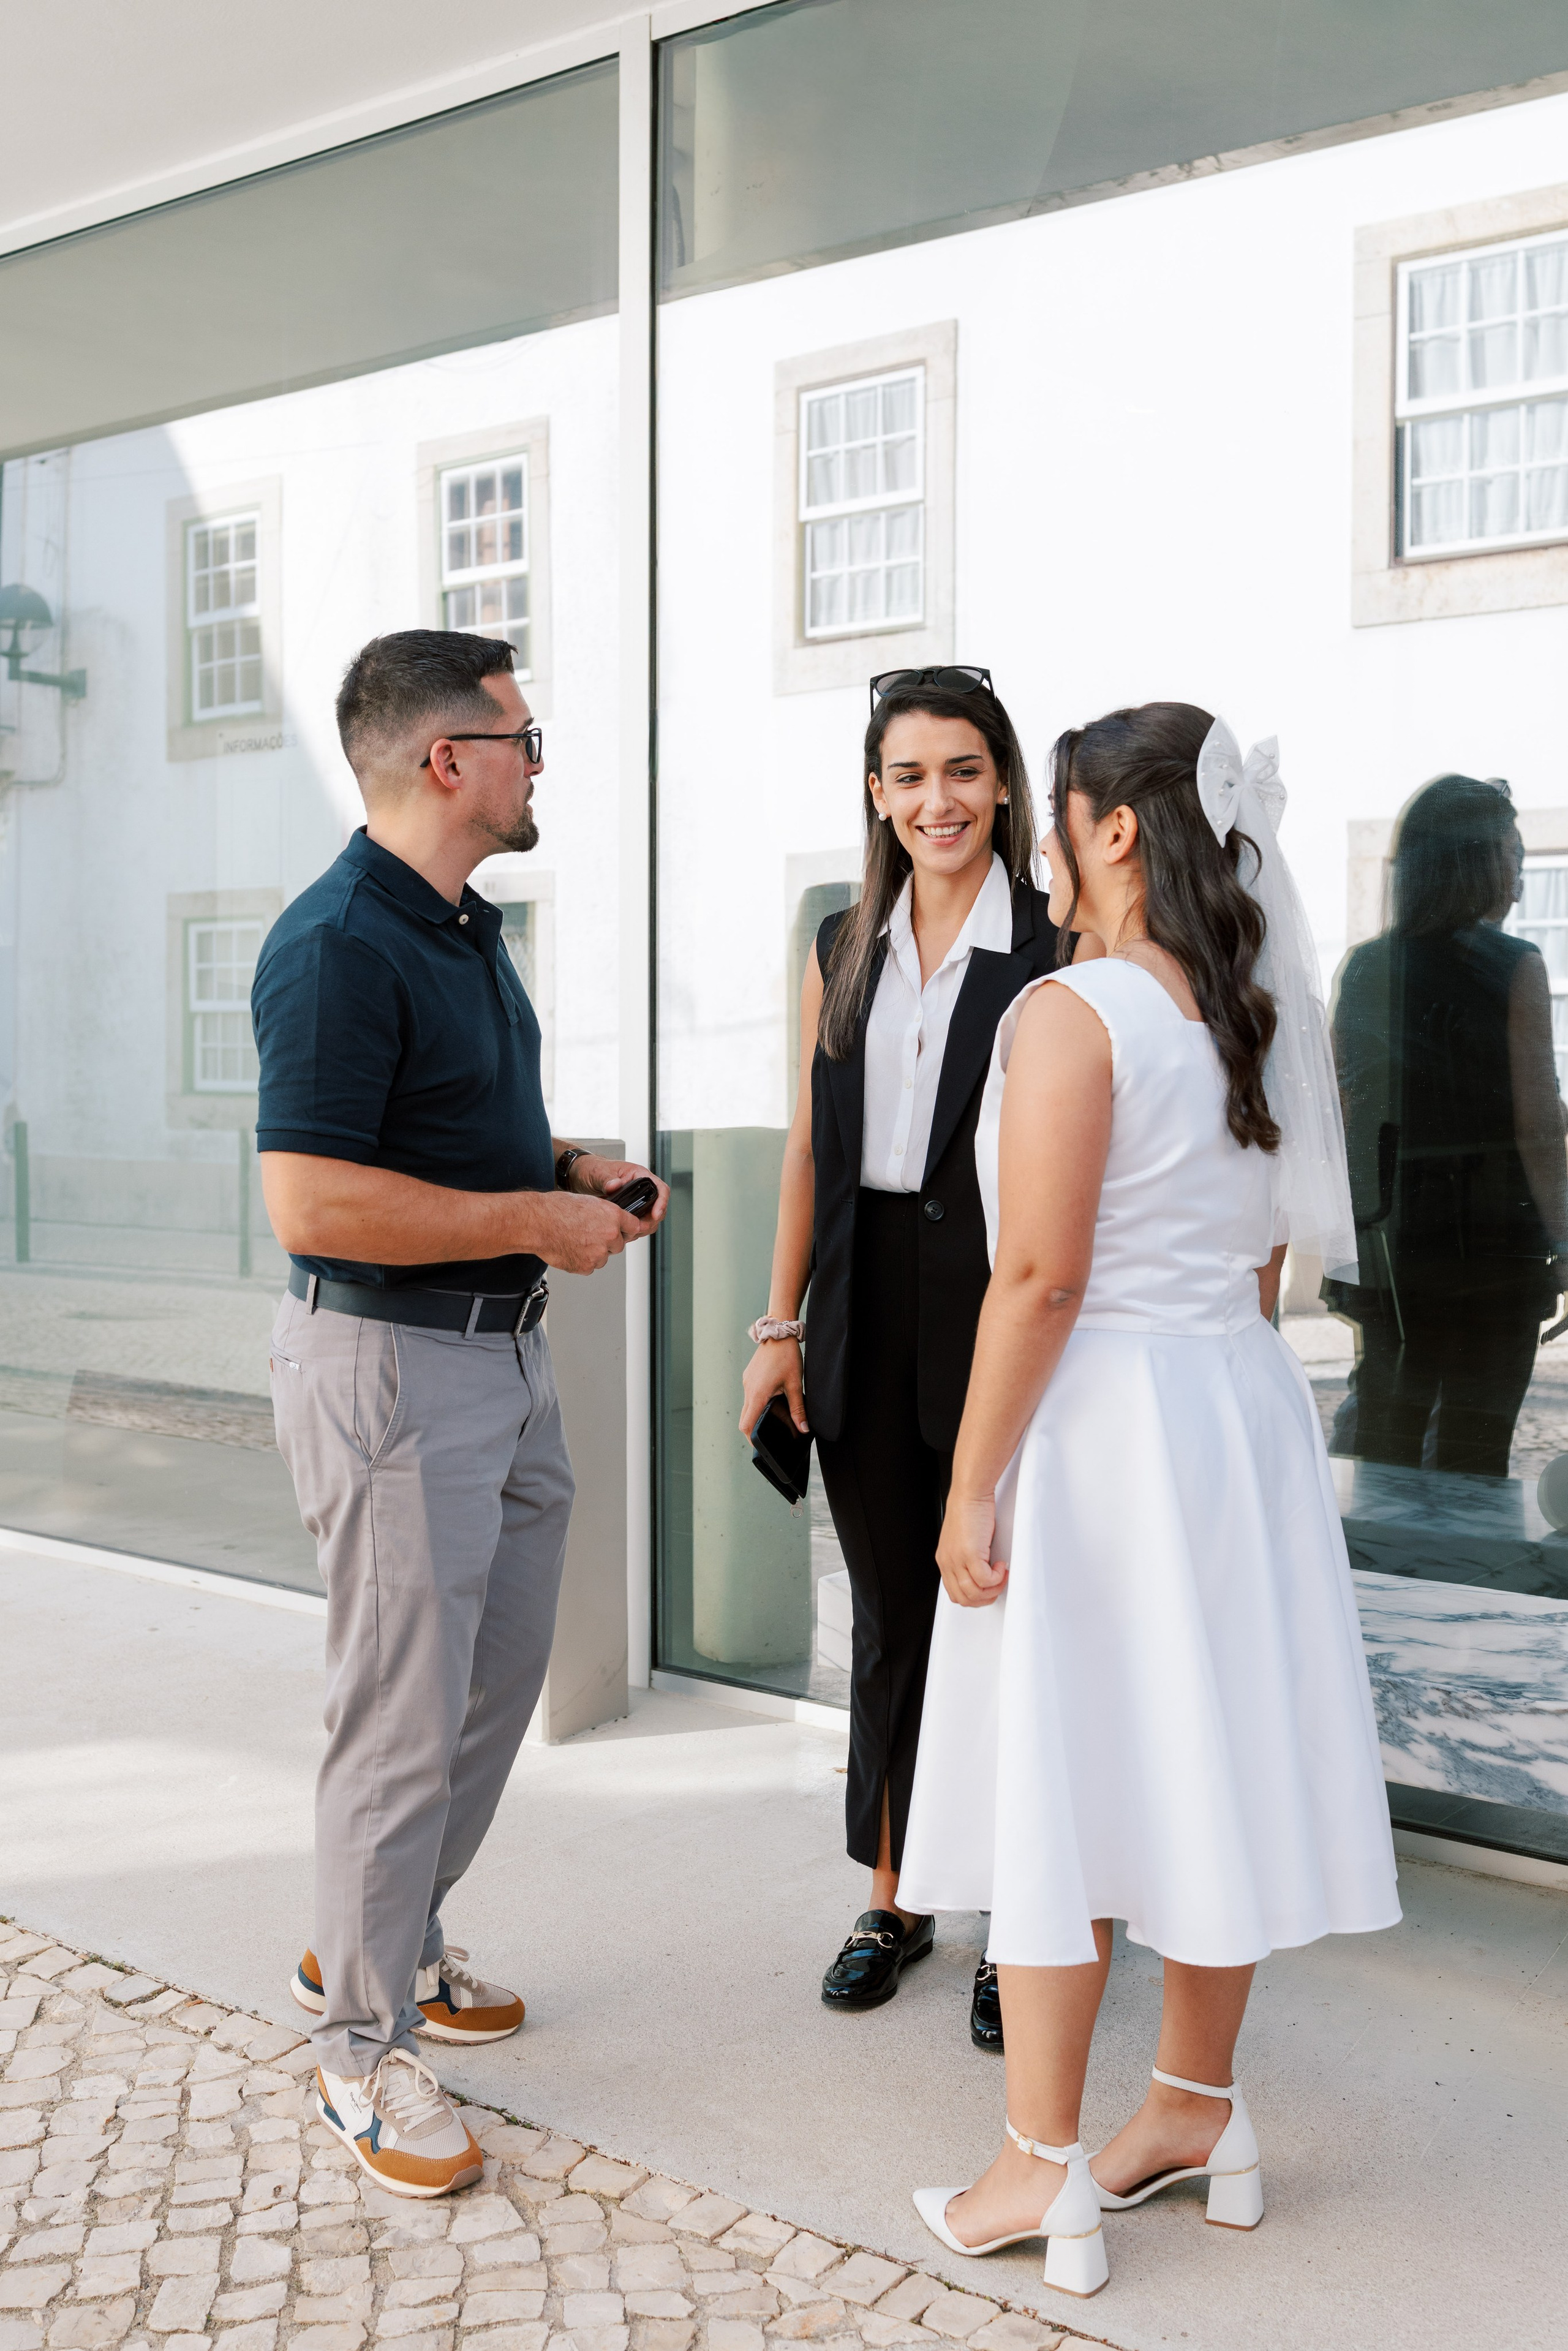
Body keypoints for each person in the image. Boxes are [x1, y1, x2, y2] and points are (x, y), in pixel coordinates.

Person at [897, 703, 1400, 2299]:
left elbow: (1039, 1277)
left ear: (1114, 828)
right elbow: (1263, 1256)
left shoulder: (1073, 1011)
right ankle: (1194, 2104)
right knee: (1198, 1759)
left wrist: (973, 1482)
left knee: (1064, 1776)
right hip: (1231, 1412)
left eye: (1054, 813)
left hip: (1103, 1423)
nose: (1039, 842)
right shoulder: (1253, 1009)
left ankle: (1038, 2161)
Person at [252, 628, 667, 2199]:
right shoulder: (336, 943)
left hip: (500, 1363)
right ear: (448, 760)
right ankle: (359, 2051)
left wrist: (562, 1170)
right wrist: (531, 1218)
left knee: (488, 1689)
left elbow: (430, 1135)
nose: (536, 761)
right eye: (522, 737)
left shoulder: (459, 927)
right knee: (399, 1716)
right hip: (390, 1371)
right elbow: (312, 1200)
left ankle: (384, 1932)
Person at [738, 666, 1087, 2042]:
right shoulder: (840, 941)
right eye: (908, 775)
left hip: (999, 1300)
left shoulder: (1058, 943)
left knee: (1004, 1606)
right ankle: (893, 1895)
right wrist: (779, 1326)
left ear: (1001, 783)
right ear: (875, 794)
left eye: (961, 770)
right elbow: (809, 1144)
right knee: (889, 1613)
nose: (935, 799)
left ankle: (1016, 1918)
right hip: (860, 1298)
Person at [1329, 775, 1568, 1475]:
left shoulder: (1366, 965)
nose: (1518, 878)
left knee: (1384, 1446)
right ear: (1479, 862)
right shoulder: (1513, 965)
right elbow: (1538, 1125)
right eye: (1511, 854)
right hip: (1490, 1246)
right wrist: (1564, 1237)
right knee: (1472, 1451)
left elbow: (1343, 1113)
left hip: (1390, 1242)